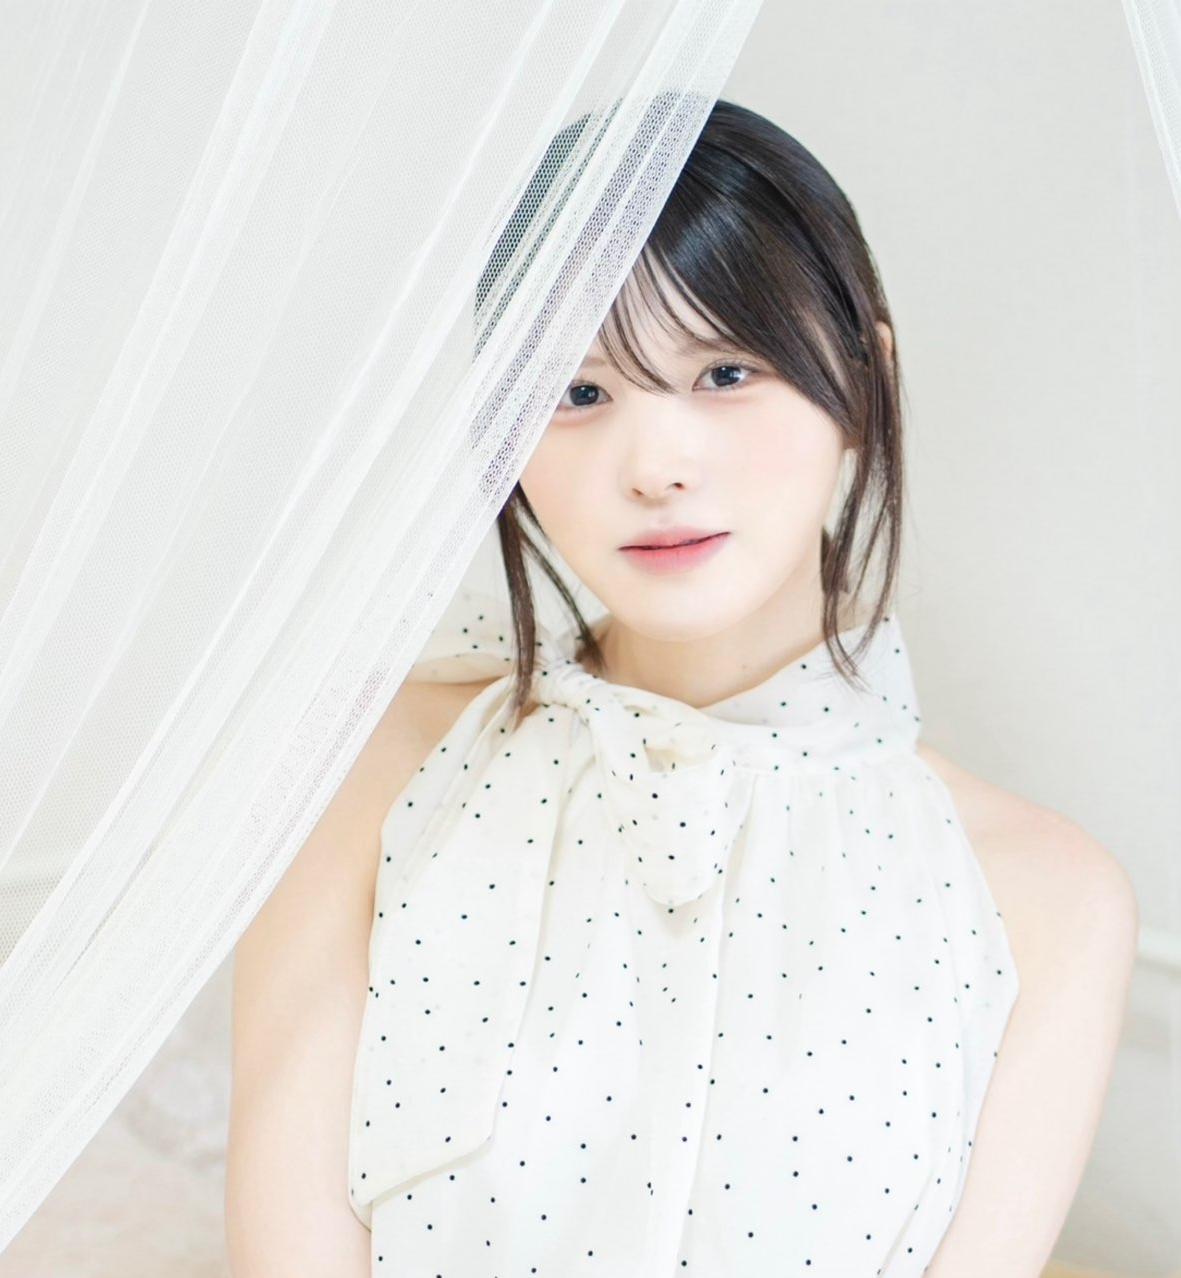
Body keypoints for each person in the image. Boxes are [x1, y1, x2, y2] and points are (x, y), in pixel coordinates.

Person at [224, 100, 1138, 1277]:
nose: (655, 467)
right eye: (578, 393)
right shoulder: (368, 766)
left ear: (864, 382)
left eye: (724, 371)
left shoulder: (1046, 899)